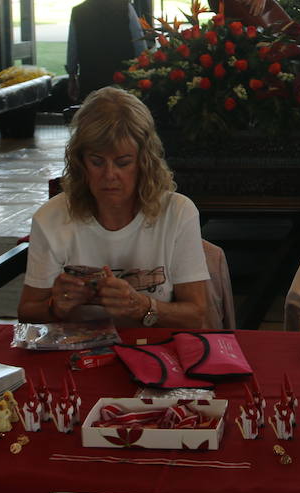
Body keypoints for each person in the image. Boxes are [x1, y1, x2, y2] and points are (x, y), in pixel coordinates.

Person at [17, 86, 208, 328]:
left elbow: (196, 315)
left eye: (123, 162)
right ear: (80, 162)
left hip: (154, 351)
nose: (109, 175)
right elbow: (27, 312)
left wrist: (143, 307)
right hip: (75, 353)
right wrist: (55, 307)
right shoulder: (51, 218)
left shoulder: (178, 212)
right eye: (97, 162)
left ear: (144, 162)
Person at [65, 0, 145, 102]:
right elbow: (139, 42)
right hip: (122, 76)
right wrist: (142, 70)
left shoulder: (77, 11)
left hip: (90, 78)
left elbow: (73, 47)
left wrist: (72, 76)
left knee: (94, 116)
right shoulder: (125, 7)